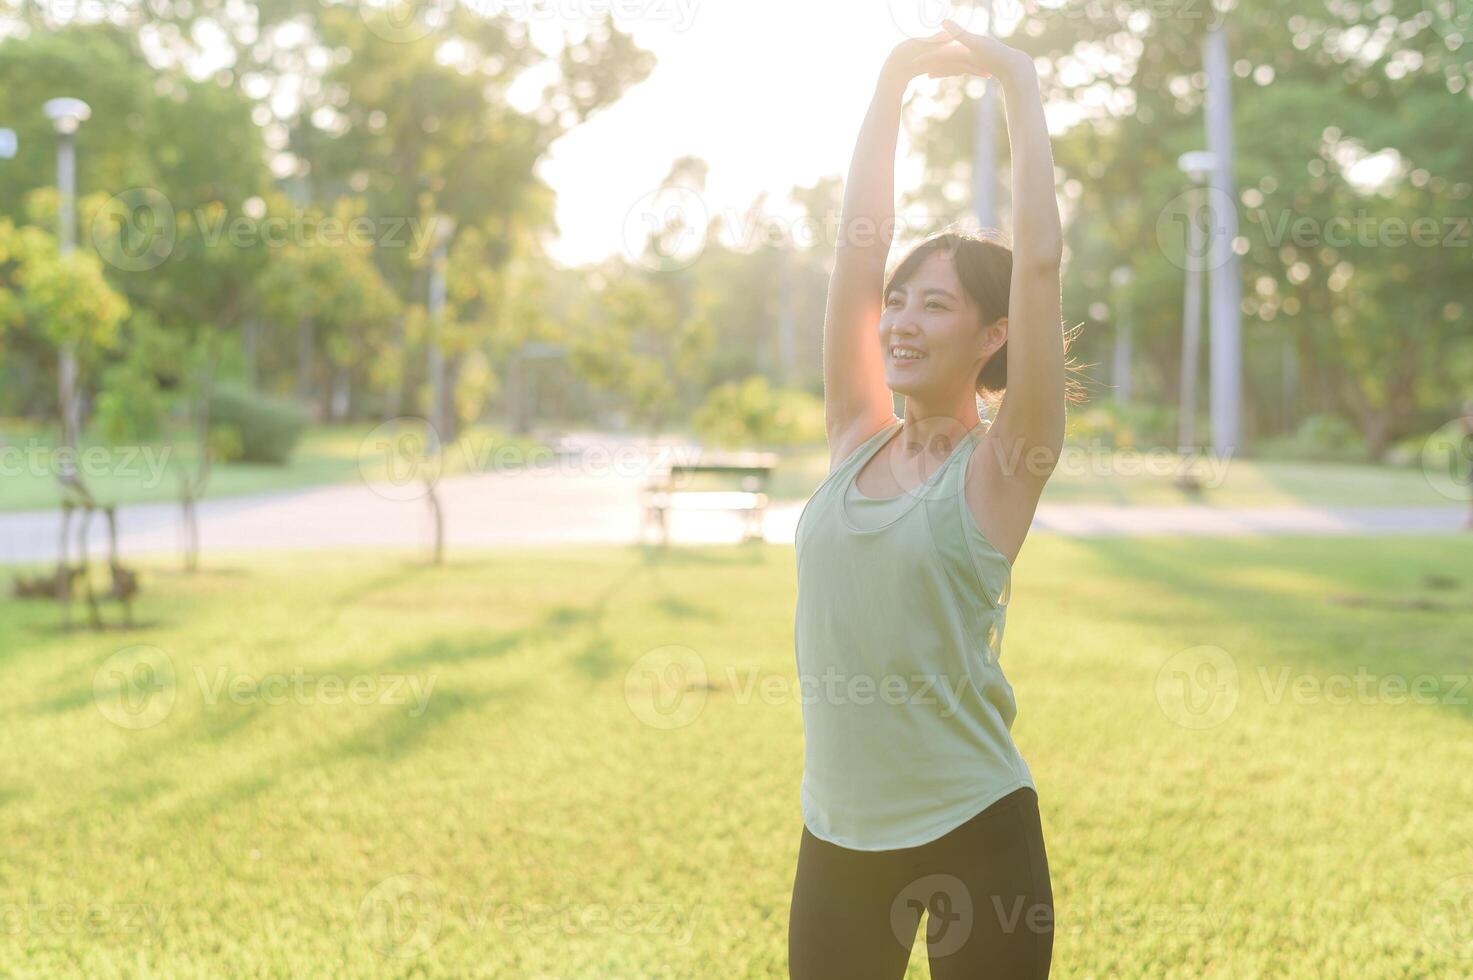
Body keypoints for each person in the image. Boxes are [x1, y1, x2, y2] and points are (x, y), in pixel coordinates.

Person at [788, 21, 1085, 980]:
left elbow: (1038, 264)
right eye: (902, 299)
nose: (904, 320)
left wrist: (1018, 86)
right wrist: (888, 90)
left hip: (975, 830)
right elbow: (853, 256)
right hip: (837, 836)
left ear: (991, 335)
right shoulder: (852, 434)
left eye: (937, 303)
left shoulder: (1003, 469)